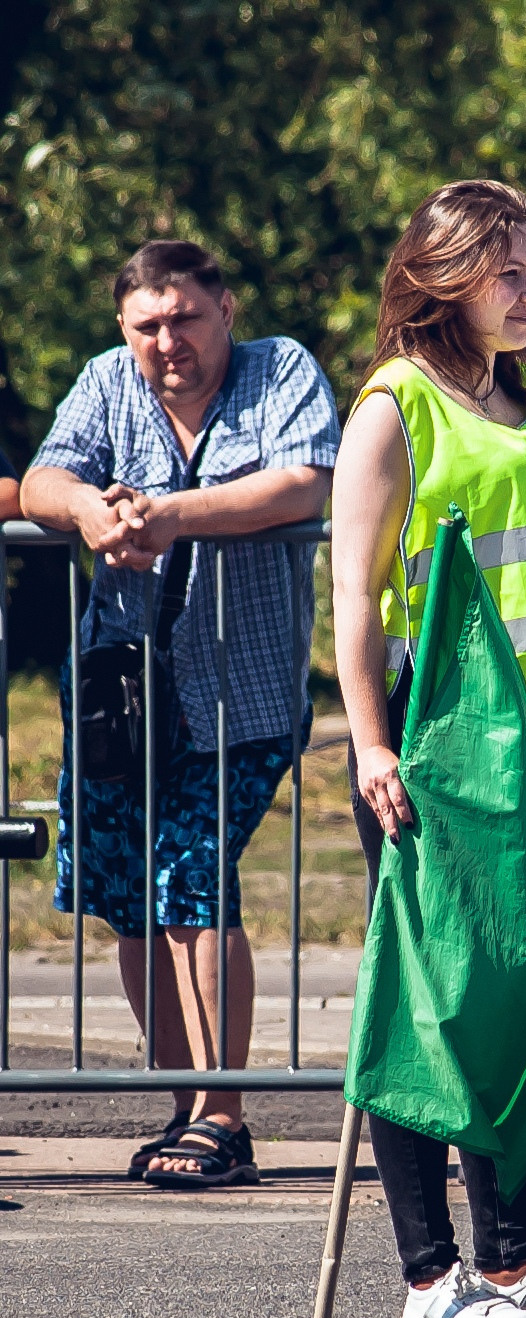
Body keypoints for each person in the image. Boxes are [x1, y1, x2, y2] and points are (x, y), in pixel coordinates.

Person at [333, 179, 526, 1318]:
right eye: (509, 271)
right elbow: (354, 598)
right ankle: (428, 1279)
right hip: (440, 732)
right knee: (435, 996)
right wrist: (370, 739)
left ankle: (511, 1265)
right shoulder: (392, 406)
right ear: (446, 275)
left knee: (517, 996)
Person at [21, 240, 337, 1188]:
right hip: (120, 694)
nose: (168, 340)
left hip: (242, 693)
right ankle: (185, 1103)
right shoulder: (106, 381)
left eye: (186, 317)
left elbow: (305, 480)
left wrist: (169, 515)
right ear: (125, 329)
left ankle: (225, 1112)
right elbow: (43, 478)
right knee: (128, 897)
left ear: (226, 308)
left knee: (191, 879)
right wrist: (87, 510)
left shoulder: (279, 369)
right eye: (148, 324)